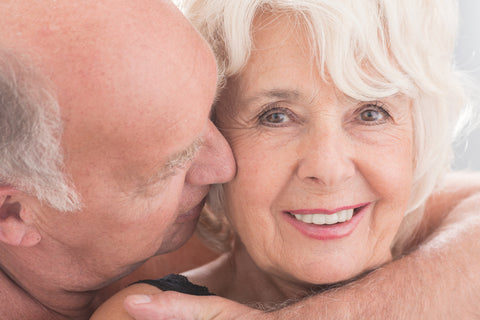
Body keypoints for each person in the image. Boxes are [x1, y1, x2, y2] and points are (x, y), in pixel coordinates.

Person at [92, 0, 480, 319]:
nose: (328, 169)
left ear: (419, 136)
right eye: (275, 116)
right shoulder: (148, 314)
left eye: (371, 113)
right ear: (211, 139)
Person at [0, 0, 235, 319]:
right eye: (173, 165)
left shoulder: (217, 234)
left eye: (212, 110)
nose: (226, 166)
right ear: (13, 213)